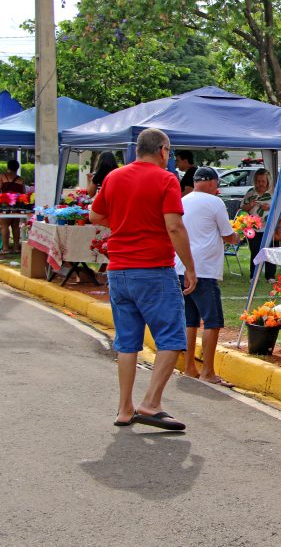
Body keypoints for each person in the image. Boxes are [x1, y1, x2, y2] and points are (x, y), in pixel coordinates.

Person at [89, 128, 197, 431]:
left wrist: (125, 221)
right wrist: (189, 266)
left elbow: (95, 216)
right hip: (153, 269)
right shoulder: (166, 179)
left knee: (127, 343)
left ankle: (125, 408)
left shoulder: (114, 177)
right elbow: (174, 227)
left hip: (119, 271)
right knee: (172, 337)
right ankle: (150, 403)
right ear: (163, 150)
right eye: (170, 151)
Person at [176, 166, 238, 386]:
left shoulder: (183, 200)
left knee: (190, 319)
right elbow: (228, 235)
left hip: (181, 266)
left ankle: (189, 367)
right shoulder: (215, 202)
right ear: (212, 183)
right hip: (202, 269)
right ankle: (208, 371)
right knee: (212, 321)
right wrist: (240, 235)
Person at [241, 168, 277, 281]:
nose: (260, 184)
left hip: (269, 227)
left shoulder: (273, 192)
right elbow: (243, 207)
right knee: (255, 251)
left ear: (268, 181)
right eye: (258, 181)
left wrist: (269, 208)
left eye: (263, 181)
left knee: (270, 251)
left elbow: (280, 208)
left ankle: (270, 276)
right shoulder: (251, 192)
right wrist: (250, 205)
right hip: (253, 227)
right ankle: (254, 275)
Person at [0, 159, 25, 254]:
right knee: (15, 226)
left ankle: (6, 248)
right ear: (17, 168)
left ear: (8, 167)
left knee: (4, 226)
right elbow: (23, 193)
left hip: (5, 204)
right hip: (17, 205)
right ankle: (16, 248)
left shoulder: (2, 176)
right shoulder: (21, 179)